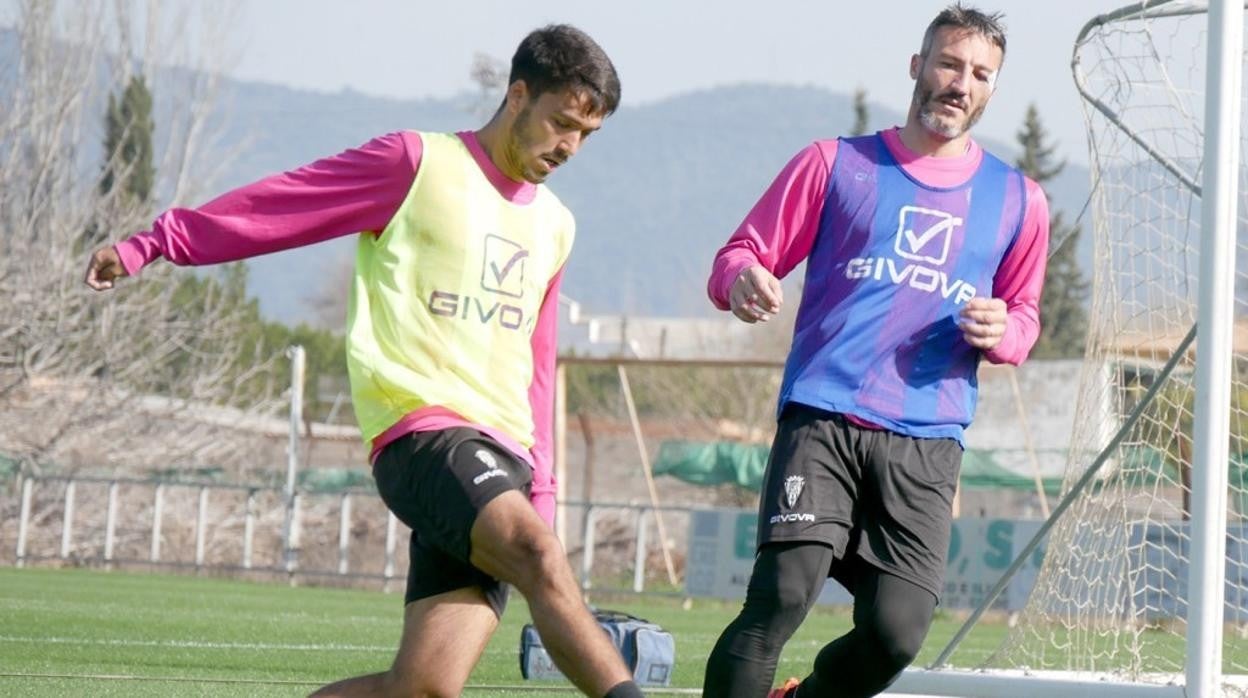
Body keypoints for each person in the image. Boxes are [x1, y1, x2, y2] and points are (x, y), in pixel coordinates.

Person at [84, 24, 646, 698]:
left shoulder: (556, 224)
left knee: (420, 688)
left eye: (587, 135)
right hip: (424, 436)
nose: (570, 147)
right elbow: (284, 205)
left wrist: (543, 494)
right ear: (518, 95)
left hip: (504, 462)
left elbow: (538, 364)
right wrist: (156, 243)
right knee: (538, 557)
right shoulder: (417, 165)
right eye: (561, 123)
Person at [700, 5, 1049, 697]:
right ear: (917, 66)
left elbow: (1025, 316)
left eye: (980, 74)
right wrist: (742, 279)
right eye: (949, 63)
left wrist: (1002, 331)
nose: (960, 83)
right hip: (824, 417)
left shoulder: (1019, 199)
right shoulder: (835, 164)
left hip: (927, 436)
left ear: (991, 91)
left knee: (897, 633)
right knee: (783, 595)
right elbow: (739, 254)